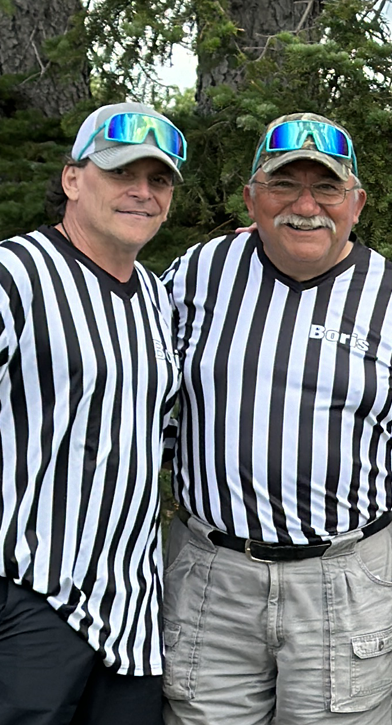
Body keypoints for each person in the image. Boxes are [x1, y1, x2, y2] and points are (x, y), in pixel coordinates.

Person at [159, 113, 392, 725]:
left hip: (347, 582)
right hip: (211, 577)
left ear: (356, 203)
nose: (306, 206)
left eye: (327, 187)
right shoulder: (195, 276)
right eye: (284, 185)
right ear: (252, 198)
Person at [0, 102, 184, 725]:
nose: (142, 192)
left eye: (158, 180)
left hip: (130, 612)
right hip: (30, 594)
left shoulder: (158, 298)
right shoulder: (15, 275)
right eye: (121, 173)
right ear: (73, 179)